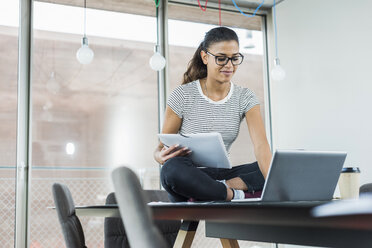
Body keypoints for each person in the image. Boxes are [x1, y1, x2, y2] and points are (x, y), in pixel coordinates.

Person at [153, 26, 272, 202]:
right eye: (221, 59)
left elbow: (261, 147)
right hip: (189, 172)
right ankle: (232, 194)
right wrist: (159, 156)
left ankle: (216, 188)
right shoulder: (182, 95)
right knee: (171, 170)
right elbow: (161, 148)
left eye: (234, 58)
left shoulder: (245, 97)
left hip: (224, 174)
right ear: (205, 57)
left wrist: (276, 182)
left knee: (278, 168)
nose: (229, 65)